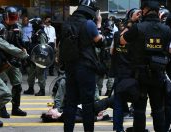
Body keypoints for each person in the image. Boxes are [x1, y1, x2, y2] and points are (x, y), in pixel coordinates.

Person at [120, 0, 171, 131]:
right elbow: (169, 50)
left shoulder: (138, 27)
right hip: (158, 74)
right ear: (158, 12)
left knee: (139, 110)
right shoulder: (166, 29)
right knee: (158, 110)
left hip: (140, 75)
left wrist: (131, 21)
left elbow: (121, 40)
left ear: (144, 10)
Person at [60, 0, 108, 131]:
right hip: (85, 67)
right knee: (87, 103)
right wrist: (99, 24)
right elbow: (99, 42)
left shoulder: (67, 22)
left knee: (70, 102)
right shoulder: (89, 24)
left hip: (70, 66)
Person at [111, 8, 141, 132]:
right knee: (138, 103)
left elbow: (112, 51)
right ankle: (137, 128)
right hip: (133, 74)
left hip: (120, 72)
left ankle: (118, 128)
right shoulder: (138, 33)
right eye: (137, 13)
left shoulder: (118, 33)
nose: (140, 15)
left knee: (118, 102)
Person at [0, 6, 27, 118]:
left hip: (14, 60)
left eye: (14, 17)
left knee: (17, 84)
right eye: (11, 17)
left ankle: (15, 108)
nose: (13, 20)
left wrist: (24, 48)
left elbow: (19, 42)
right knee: (2, 85)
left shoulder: (17, 27)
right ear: (5, 16)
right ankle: (2, 109)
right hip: (2, 60)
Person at [23, 17, 48, 96]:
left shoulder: (41, 33)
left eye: (33, 24)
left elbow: (43, 47)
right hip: (33, 57)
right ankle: (31, 88)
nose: (32, 26)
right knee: (31, 73)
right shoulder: (36, 32)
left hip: (39, 58)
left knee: (40, 74)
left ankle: (42, 90)